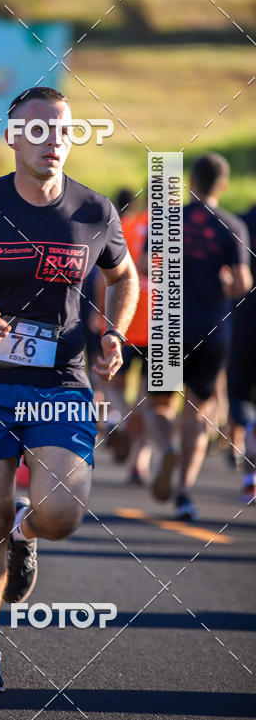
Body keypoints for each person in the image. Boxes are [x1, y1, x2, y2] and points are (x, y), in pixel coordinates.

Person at [0, 86, 139, 692]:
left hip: (60, 384)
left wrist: (115, 333)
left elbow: (124, 279)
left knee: (62, 512)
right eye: (38, 130)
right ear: (13, 136)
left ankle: (28, 535)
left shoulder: (95, 211)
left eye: (63, 130)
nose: (53, 141)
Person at [148, 154, 252, 521]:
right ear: (222, 185)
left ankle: (165, 449)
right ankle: (184, 494)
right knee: (198, 411)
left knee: (158, 404)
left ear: (190, 181)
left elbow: (147, 266)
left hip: (168, 325)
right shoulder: (233, 226)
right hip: (212, 330)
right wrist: (223, 281)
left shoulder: (166, 217)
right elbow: (242, 284)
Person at [99, 188, 151, 482]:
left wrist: (101, 317)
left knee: (109, 383)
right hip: (163, 329)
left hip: (127, 326)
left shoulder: (124, 226)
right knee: (155, 403)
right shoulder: (177, 229)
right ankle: (141, 463)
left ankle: (122, 415)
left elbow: (108, 275)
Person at [226, 202, 256, 504]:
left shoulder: (240, 222)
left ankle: (250, 478)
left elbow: (238, 281)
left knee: (239, 395)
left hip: (243, 325)